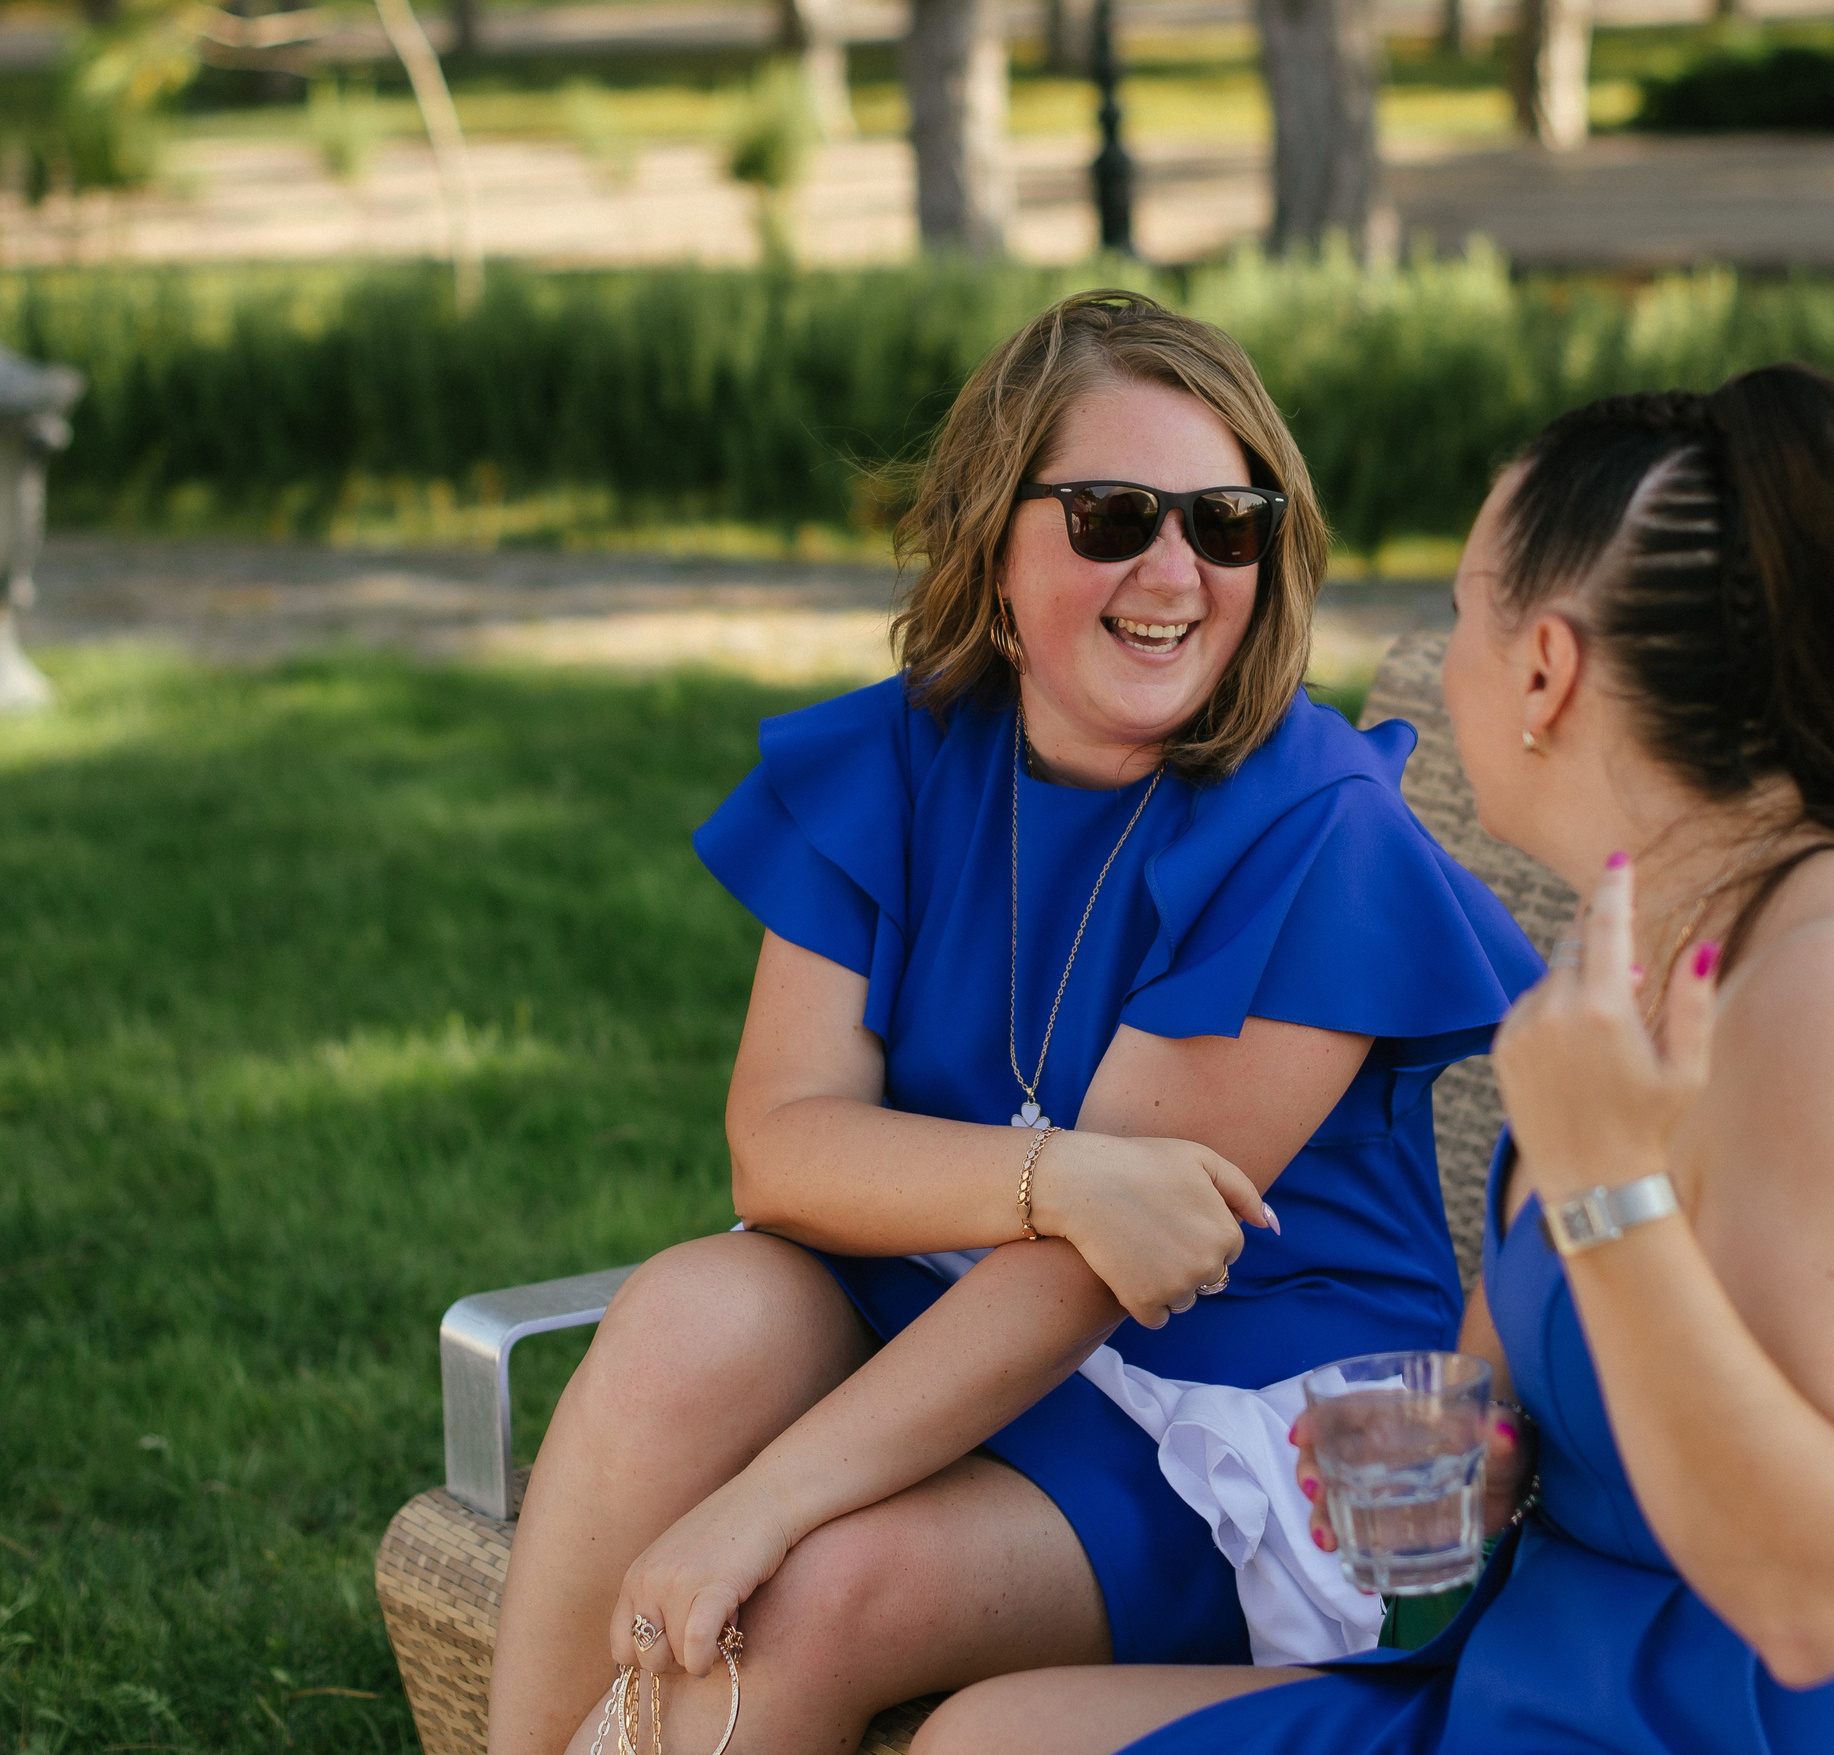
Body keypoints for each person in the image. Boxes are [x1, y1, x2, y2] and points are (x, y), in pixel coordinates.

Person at [913, 365, 1834, 1755]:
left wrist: (1600, 1178)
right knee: (993, 1733)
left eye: (1463, 611)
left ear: (1545, 672)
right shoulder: (1645, 954)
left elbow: (1817, 1601)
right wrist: (1415, 1481)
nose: (1446, 650)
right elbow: (1534, 1409)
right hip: (1553, 1672)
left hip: (1762, 1722)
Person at [482, 290, 1540, 1755]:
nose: (1176, 569)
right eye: (1113, 514)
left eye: (1226, 523)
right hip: (968, 1311)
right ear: (992, 544)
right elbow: (778, 1153)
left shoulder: (1318, 828)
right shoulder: (904, 757)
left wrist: (760, 1503)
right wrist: (1064, 1180)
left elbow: (1099, 1279)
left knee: (816, 1590)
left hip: (1264, 1408)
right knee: (685, 1317)